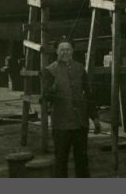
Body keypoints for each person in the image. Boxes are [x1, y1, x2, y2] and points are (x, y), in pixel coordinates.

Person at [41, 39, 101, 177]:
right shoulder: (49, 70)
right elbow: (46, 97)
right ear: (57, 51)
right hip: (61, 125)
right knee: (61, 160)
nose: (65, 52)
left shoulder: (80, 68)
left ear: (72, 51)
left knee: (82, 160)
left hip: (80, 123)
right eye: (62, 49)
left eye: (67, 49)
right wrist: (51, 90)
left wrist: (95, 118)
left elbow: (88, 94)